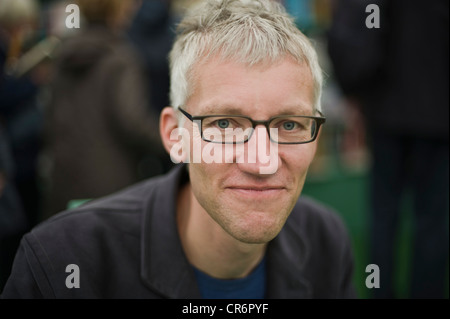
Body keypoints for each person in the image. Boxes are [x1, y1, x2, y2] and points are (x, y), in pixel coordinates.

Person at [1, 0, 356, 298]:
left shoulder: (326, 241)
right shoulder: (63, 258)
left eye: (289, 125)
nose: (260, 160)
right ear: (174, 135)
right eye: (224, 124)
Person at [327, 0, 449, 298]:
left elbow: (364, 28)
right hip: (436, 115)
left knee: (383, 216)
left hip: (388, 112)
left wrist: (356, 88)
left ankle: (380, 291)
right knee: (432, 220)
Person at [40, 0, 164, 219]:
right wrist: (171, 140)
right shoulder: (120, 57)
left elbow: (50, 116)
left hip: (65, 179)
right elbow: (132, 121)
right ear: (118, 10)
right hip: (109, 183)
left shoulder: (63, 54)